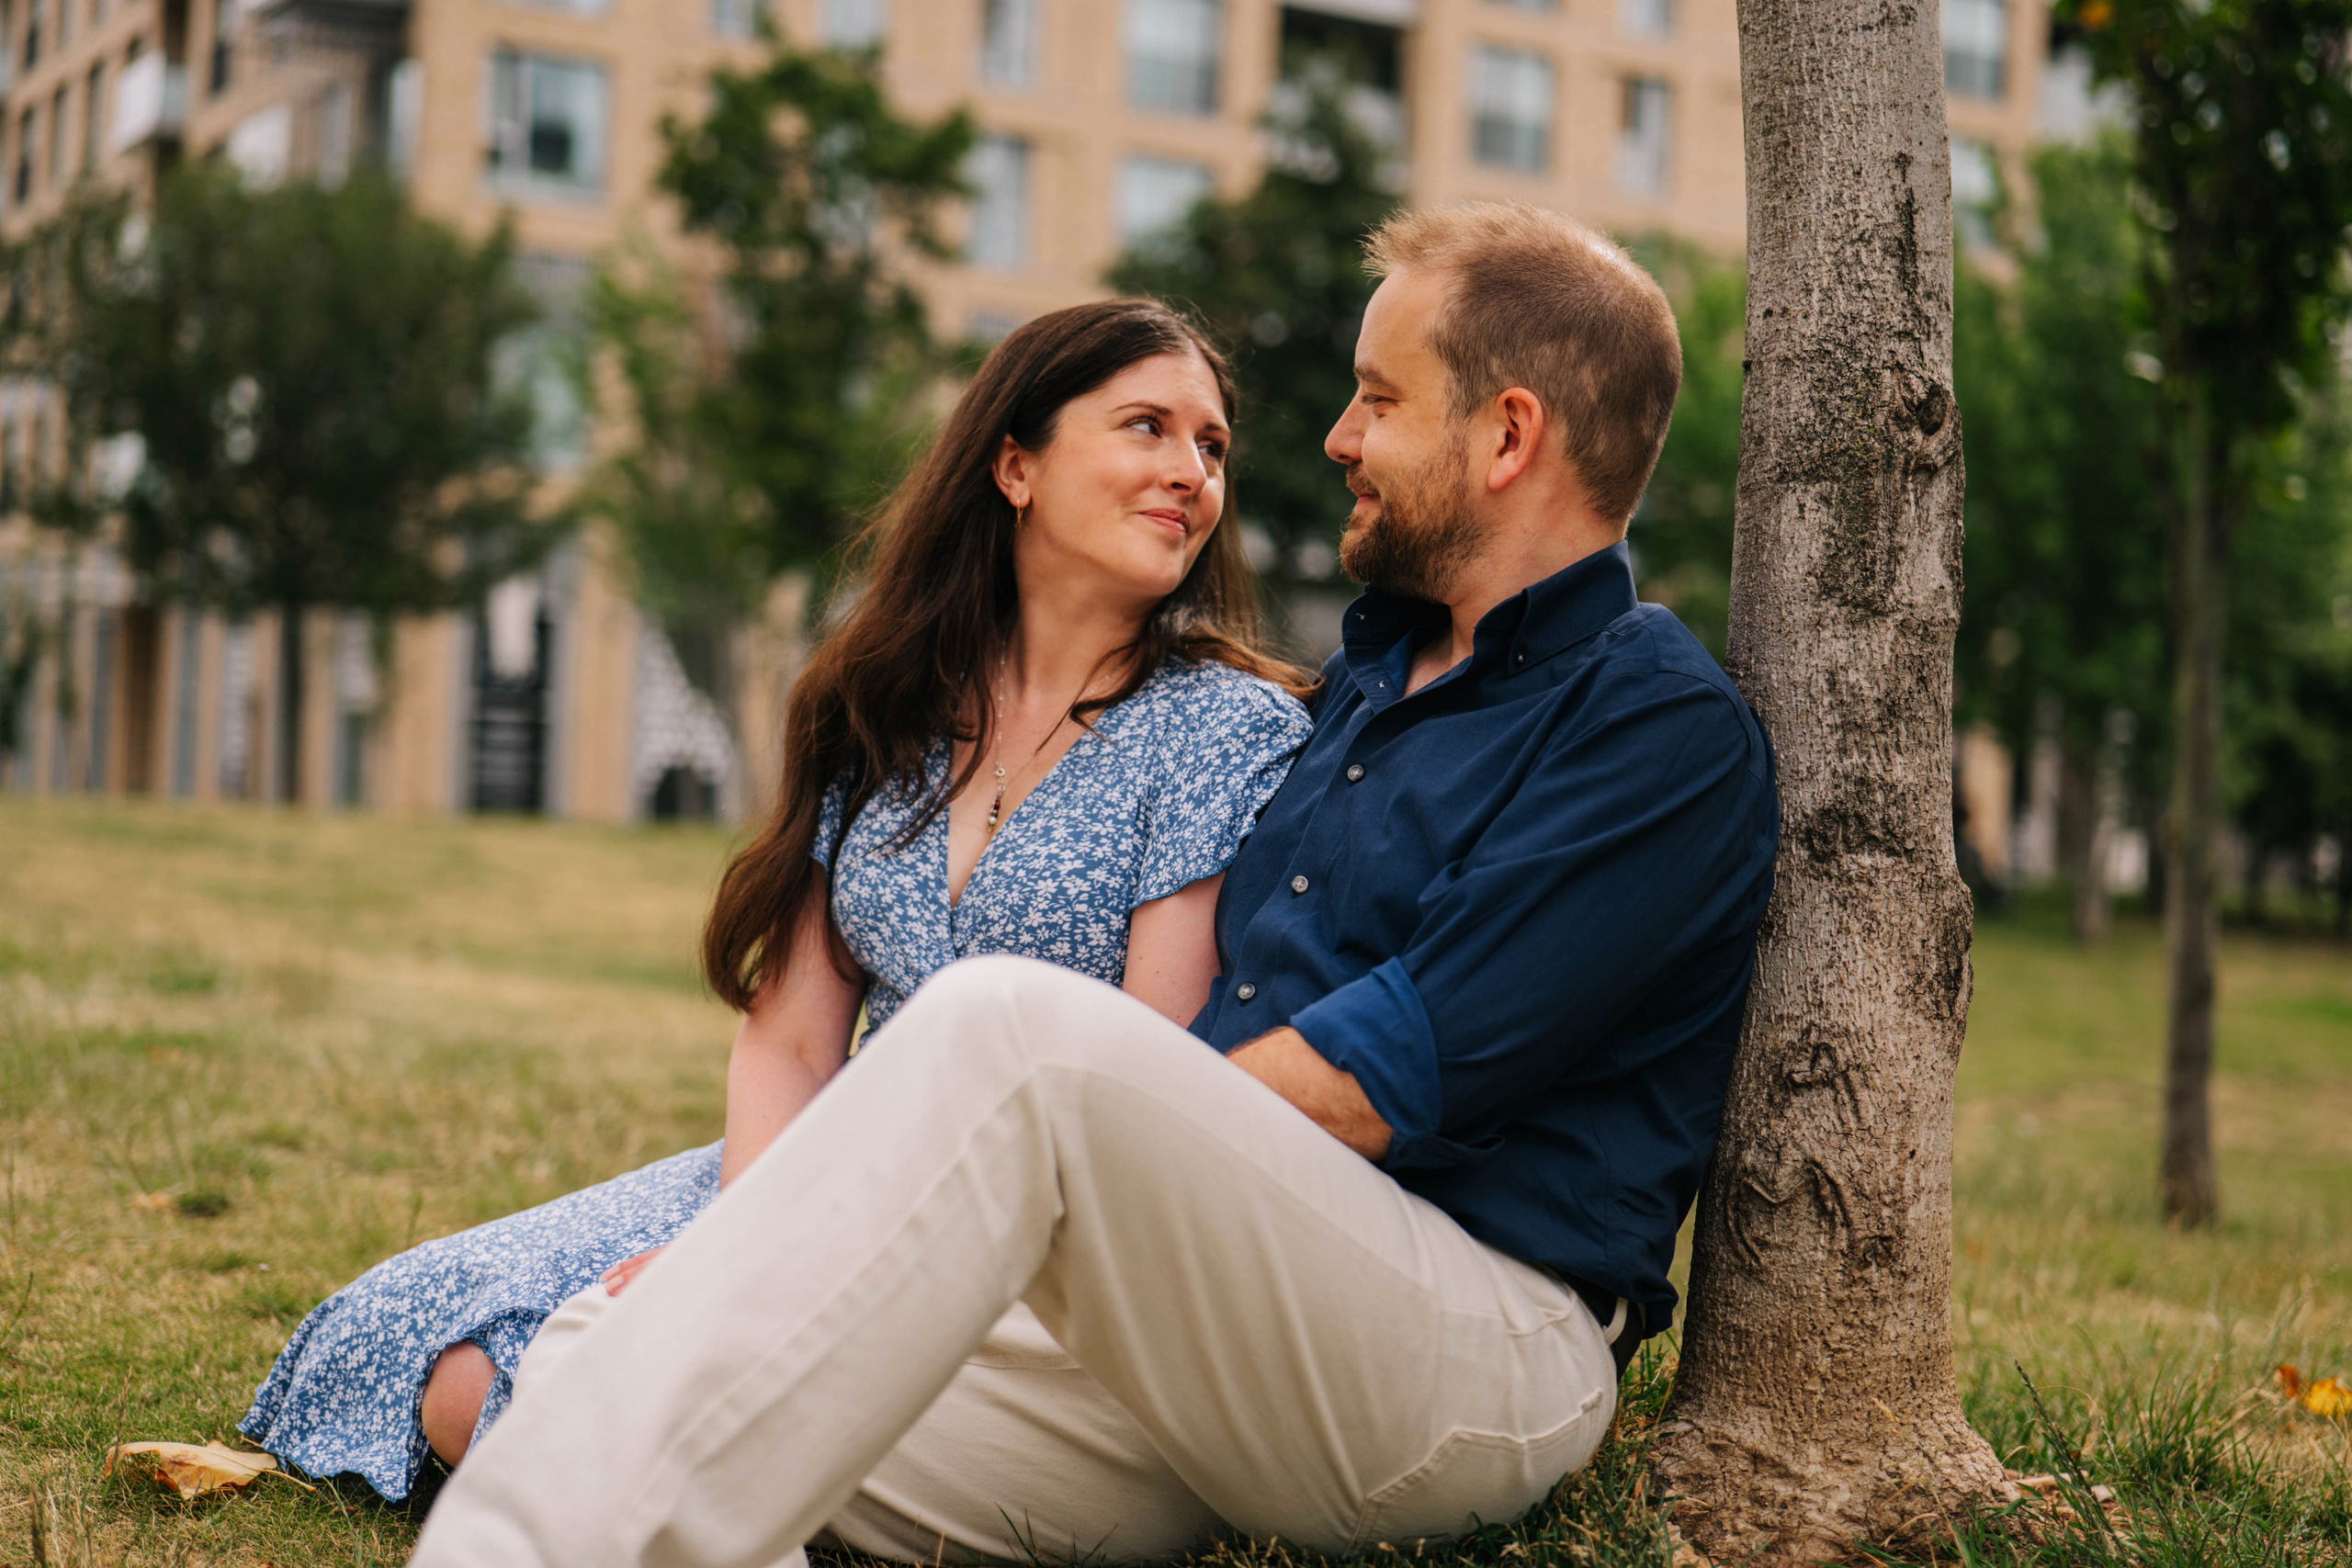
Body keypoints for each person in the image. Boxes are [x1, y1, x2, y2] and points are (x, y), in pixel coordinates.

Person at [411, 202, 1781, 1568]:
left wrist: (1084, 1151)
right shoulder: (1370, 684)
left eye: (1376, 399)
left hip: (1469, 1352)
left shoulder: (1655, 732)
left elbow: (1384, 1080)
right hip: (1212, 1337)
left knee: (1011, 1034)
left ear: (1508, 436)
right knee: (619, 1354)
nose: (1338, 440)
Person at [236, 299, 1314, 1502]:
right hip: (801, 1169)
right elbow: (797, 1030)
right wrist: (746, 1236)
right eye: (1148, 428)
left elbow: (1146, 1071)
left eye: (1211, 446)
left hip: (1006, 1235)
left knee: (555, 1382)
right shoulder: (894, 704)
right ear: (1016, 465)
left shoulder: (1226, 725)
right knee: (410, 1330)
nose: (1189, 472)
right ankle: (604, 1465)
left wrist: (775, 1273)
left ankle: (623, 1471)